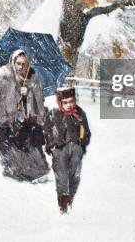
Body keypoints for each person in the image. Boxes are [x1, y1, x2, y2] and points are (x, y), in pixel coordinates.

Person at [0, 50, 49, 182]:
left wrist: (29, 88)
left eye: (24, 64)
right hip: (7, 116)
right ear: (13, 62)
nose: (21, 67)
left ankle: (34, 170)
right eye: (18, 63)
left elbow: (39, 99)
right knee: (9, 145)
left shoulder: (32, 76)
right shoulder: (3, 76)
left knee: (28, 144)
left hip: (26, 117)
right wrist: (19, 92)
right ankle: (12, 170)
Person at [44, 86, 91, 214]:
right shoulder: (53, 113)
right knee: (62, 179)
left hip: (76, 149)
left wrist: (82, 146)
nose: (69, 105)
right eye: (65, 102)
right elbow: (47, 131)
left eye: (71, 101)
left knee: (74, 177)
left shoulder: (80, 113)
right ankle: (63, 206)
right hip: (59, 150)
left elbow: (87, 132)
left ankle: (71, 198)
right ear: (60, 102)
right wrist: (51, 146)